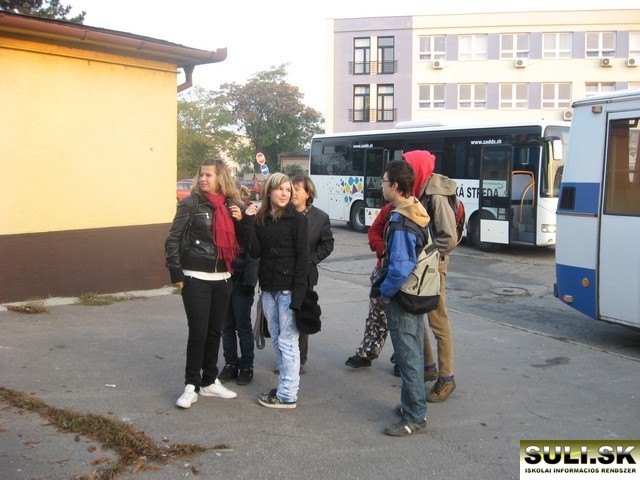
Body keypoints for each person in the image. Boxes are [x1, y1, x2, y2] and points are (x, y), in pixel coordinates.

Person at [345, 153, 440, 384]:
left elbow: (408, 259)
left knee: (406, 328)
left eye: (384, 180)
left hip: (409, 279)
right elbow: (374, 232)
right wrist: (384, 251)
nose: (382, 184)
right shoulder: (392, 209)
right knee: (379, 318)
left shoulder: (415, 209)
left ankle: (408, 369)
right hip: (392, 272)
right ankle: (370, 353)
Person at [165, 158, 244, 409]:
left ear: (221, 178)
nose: (203, 179)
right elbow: (173, 239)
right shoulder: (190, 203)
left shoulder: (232, 205)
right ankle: (191, 385)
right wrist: (176, 272)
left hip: (223, 278)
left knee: (214, 333)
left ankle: (209, 381)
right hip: (195, 276)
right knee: (198, 332)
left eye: (208, 175)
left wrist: (243, 220)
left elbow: (244, 242)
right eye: (201, 174)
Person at [371, 159, 430, 436]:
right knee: (413, 351)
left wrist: (384, 294)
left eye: (384, 182)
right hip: (418, 293)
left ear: (395, 185)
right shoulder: (415, 209)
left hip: (403, 296)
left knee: (408, 357)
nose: (381, 186)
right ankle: (410, 405)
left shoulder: (402, 221)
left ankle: (415, 416)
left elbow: (399, 269)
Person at [243, 173, 309, 409]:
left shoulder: (297, 219)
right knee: (277, 340)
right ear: (269, 191)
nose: (284, 193)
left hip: (288, 290)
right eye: (280, 189)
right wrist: (248, 222)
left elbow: (303, 259)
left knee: (288, 342)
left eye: (288, 190)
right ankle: (284, 387)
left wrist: (299, 296)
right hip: (269, 289)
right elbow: (255, 252)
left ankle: (288, 394)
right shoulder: (262, 218)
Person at [408, 149, 459, 403]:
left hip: (434, 266)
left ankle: (447, 378)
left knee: (438, 322)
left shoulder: (436, 195)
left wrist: (425, 254)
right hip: (422, 265)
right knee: (419, 312)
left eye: (409, 168)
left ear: (418, 168)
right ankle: (428, 367)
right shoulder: (419, 188)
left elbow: (449, 239)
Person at [291, 175, 334, 372]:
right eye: (291, 188)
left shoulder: (320, 217)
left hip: (306, 275)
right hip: (283, 273)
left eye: (297, 189)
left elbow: (328, 244)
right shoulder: (283, 212)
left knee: (301, 317)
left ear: (308, 193)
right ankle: (286, 358)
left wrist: (311, 259)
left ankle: (299, 360)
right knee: (283, 318)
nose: (292, 192)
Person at [218, 185, 259, 385]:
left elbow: (253, 248)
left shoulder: (248, 213)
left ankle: (246, 365)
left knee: (242, 325)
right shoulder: (219, 213)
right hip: (223, 277)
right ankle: (230, 364)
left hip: (242, 278)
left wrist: (242, 220)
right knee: (227, 326)